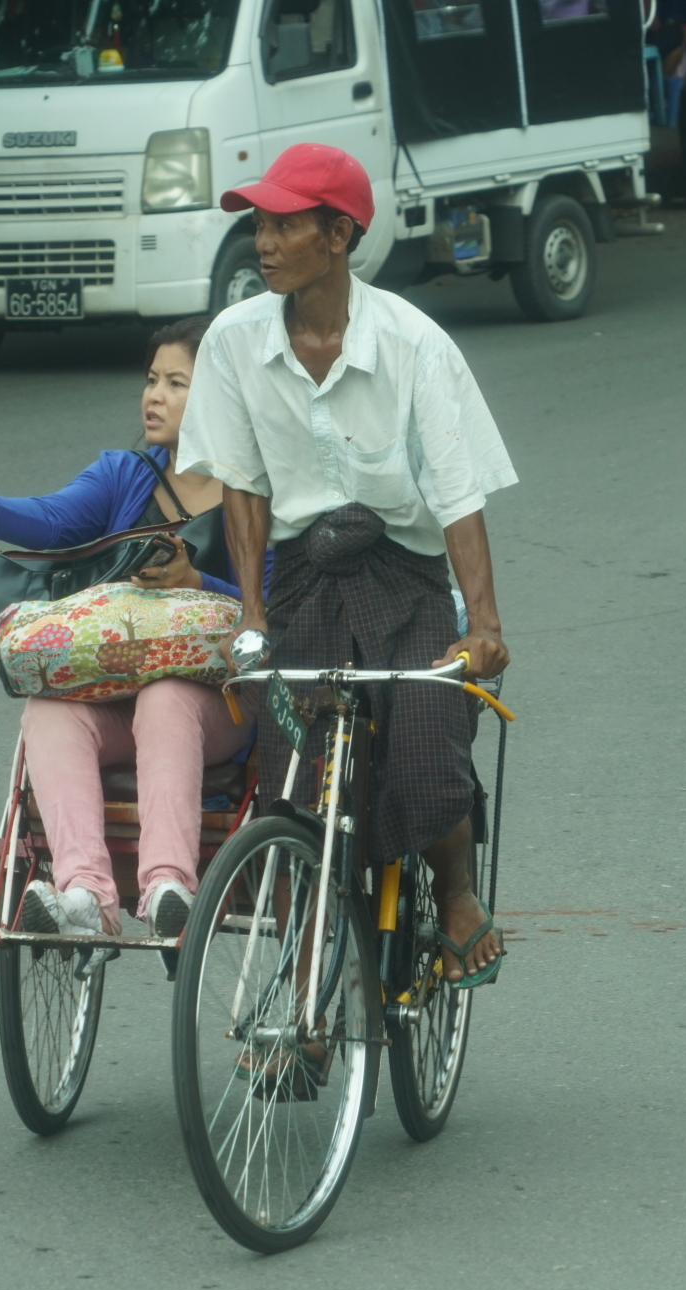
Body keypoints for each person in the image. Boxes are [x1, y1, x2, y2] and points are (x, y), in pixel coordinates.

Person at [179, 143, 516, 987]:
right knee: (295, 785)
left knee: (427, 728)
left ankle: (456, 890)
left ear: (338, 234)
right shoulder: (231, 341)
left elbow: (457, 495)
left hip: (403, 574)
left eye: (283, 224)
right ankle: (301, 997)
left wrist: (483, 625)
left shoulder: (414, 344)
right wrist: (252, 613)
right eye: (258, 222)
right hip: (296, 581)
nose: (263, 240)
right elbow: (242, 488)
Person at [0, 316, 254, 936]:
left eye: (177, 383)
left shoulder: (256, 493)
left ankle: (167, 885)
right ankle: (83, 891)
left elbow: (274, 604)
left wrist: (198, 585)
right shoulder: (126, 474)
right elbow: (54, 520)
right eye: (151, 380)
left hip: (221, 706)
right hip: (112, 690)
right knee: (49, 711)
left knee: (167, 694)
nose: (154, 396)